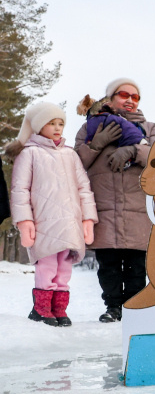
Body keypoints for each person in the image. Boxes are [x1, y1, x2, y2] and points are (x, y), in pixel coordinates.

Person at [75, 78, 155, 323]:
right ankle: (113, 307)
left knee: (137, 265)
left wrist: (135, 150)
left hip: (139, 209)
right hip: (104, 207)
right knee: (108, 265)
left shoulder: (150, 128)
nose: (130, 100)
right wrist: (96, 145)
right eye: (124, 95)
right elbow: (75, 164)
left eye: (136, 97)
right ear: (110, 98)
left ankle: (134, 309)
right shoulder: (90, 128)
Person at [8, 102, 97, 326]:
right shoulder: (29, 154)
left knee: (64, 268)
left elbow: (84, 188)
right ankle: (41, 309)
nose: (58, 128)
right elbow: (20, 190)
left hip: (70, 223)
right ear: (39, 126)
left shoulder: (70, 155)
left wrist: (88, 219)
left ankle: (59, 309)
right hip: (44, 223)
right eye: (51, 123)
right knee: (47, 266)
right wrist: (25, 221)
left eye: (61, 123)